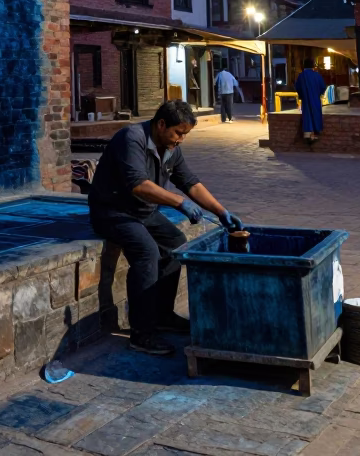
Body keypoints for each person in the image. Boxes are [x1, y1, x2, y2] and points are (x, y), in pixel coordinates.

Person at [87, 99, 243, 357]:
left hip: (143, 212)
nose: (181, 139)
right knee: (146, 252)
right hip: (112, 211)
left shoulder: (170, 148)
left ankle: (163, 315)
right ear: (161, 124)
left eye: (185, 134)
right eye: (178, 133)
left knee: (176, 243)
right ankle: (142, 333)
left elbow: (190, 182)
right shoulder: (132, 139)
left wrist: (221, 211)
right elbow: (138, 185)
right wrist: (180, 203)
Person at [294, 58, 326, 143]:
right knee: (316, 114)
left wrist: (302, 95)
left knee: (307, 114)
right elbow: (323, 87)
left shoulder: (301, 76)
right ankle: (316, 132)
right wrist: (318, 93)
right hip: (315, 99)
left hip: (306, 99)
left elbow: (297, 87)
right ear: (313, 65)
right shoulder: (317, 75)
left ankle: (307, 134)